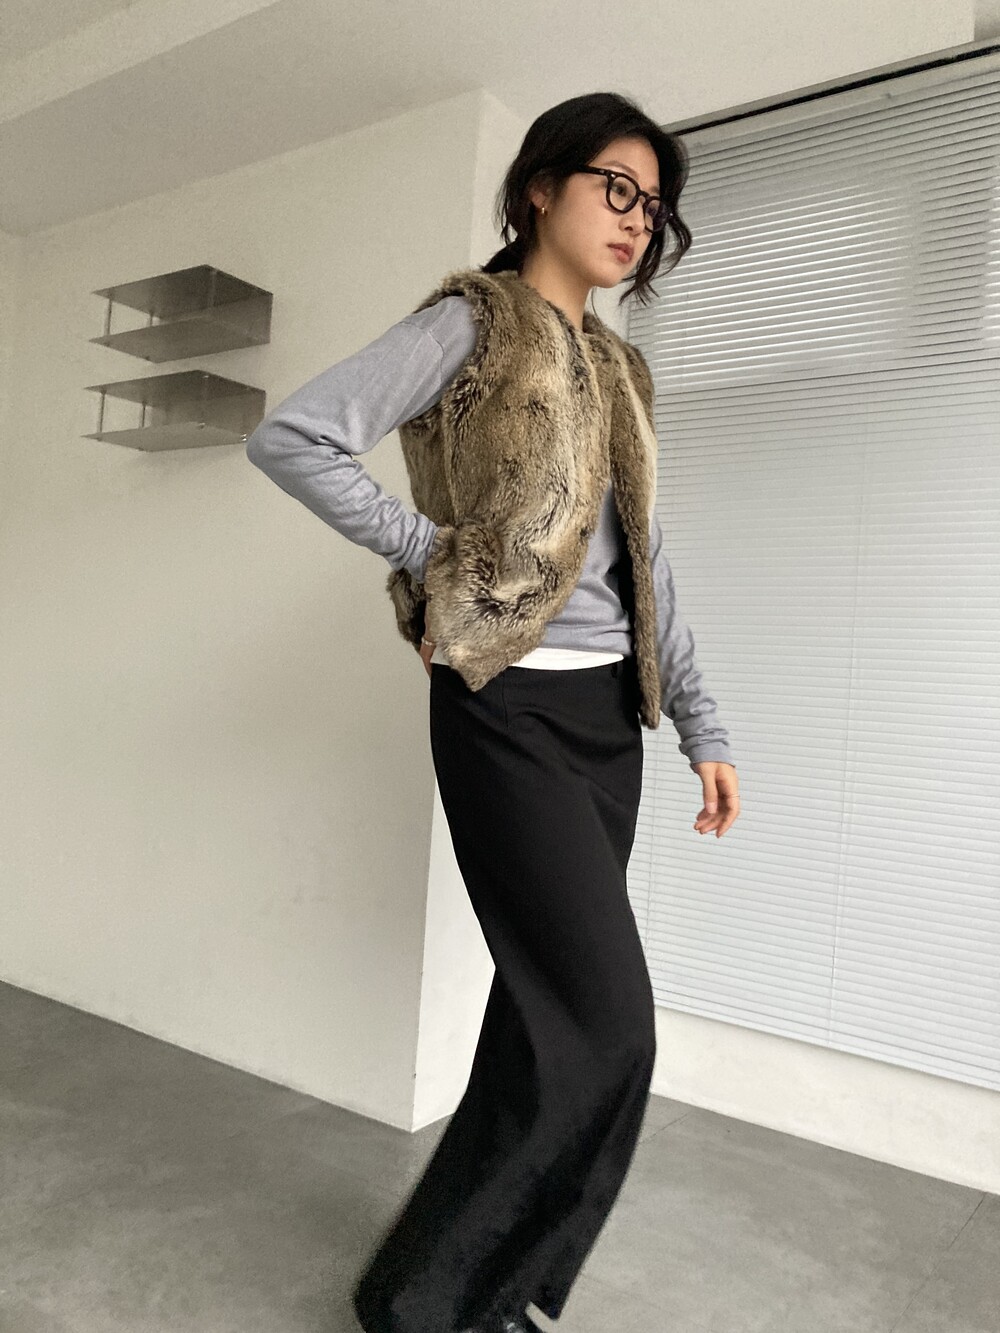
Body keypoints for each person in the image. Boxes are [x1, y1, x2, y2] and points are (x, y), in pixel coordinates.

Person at [246, 90, 740, 1333]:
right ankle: (458, 1300)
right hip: (504, 704)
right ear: (540, 188)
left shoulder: (621, 367)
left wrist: (702, 724)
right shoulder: (469, 321)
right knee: (610, 1029)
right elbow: (295, 437)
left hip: (607, 725)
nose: (637, 219)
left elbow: (645, 561)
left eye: (653, 205)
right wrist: (434, 556)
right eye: (616, 188)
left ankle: (438, 1295)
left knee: (541, 1020)